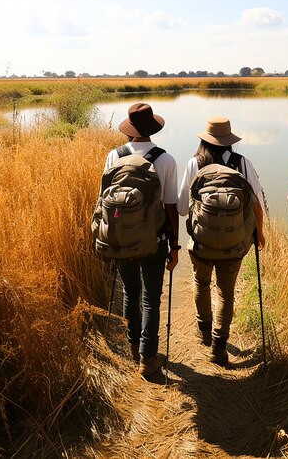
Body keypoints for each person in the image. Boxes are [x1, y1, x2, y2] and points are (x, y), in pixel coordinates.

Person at [177, 116, 265, 365]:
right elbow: (256, 202)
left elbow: (183, 208)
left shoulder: (195, 164)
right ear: (229, 141)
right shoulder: (242, 163)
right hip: (235, 244)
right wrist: (260, 233)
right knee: (226, 292)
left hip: (202, 243)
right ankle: (219, 346)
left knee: (201, 282)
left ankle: (204, 332)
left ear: (205, 140)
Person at [102, 103, 179, 378]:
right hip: (154, 241)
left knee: (130, 293)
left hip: (121, 238)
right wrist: (174, 245)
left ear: (129, 129)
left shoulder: (115, 155)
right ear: (152, 128)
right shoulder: (165, 159)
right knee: (151, 299)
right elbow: (171, 207)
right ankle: (148, 358)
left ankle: (133, 349)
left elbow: (105, 199)